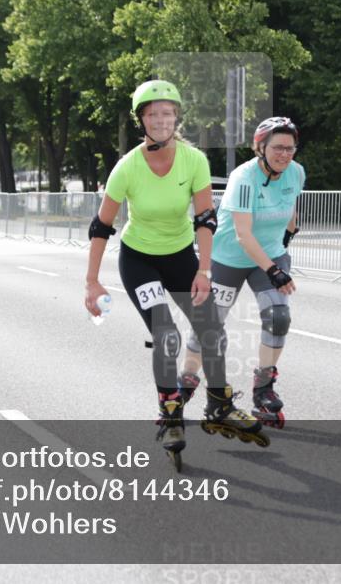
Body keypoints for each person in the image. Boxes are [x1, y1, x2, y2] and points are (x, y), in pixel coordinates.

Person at [84, 80, 267, 469]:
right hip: (139, 260)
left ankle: (219, 403)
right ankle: (170, 413)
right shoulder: (127, 167)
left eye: (168, 113)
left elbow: (205, 218)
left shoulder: (193, 160)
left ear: (176, 118)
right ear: (142, 120)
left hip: (181, 256)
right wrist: (92, 282)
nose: (161, 120)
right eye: (153, 114)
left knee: (210, 328)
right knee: (166, 333)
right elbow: (101, 227)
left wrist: (204, 269)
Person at [180, 117, 305, 429]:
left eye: (290, 148)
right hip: (229, 258)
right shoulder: (243, 178)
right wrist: (275, 270)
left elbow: (289, 204)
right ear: (259, 147)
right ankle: (187, 381)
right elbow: (243, 236)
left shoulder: (296, 172)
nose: (285, 154)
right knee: (209, 327)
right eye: (278, 148)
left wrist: (290, 232)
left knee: (278, 317)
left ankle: (264, 389)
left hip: (270, 254)